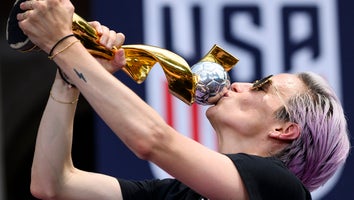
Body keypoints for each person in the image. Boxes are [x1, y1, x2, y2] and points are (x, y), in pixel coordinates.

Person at [17, 0, 350, 199]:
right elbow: (53, 184)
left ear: (284, 129)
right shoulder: (182, 193)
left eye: (261, 87)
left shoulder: (280, 188)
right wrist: (69, 76)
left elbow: (152, 140)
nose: (241, 84)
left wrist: (65, 44)